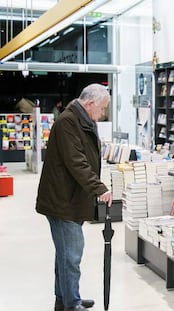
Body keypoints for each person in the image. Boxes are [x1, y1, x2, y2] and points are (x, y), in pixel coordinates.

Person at [36, 84, 112, 311]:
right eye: (102, 109)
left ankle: (65, 299)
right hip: (63, 201)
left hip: (70, 199)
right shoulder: (68, 122)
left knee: (65, 254)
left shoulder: (80, 120)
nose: (103, 114)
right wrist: (98, 188)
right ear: (90, 104)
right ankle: (72, 304)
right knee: (71, 256)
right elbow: (76, 161)